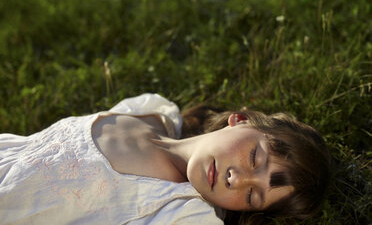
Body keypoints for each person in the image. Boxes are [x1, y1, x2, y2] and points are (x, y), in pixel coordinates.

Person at [0, 93, 330, 225]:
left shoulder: (181, 211)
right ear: (240, 120)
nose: (236, 178)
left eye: (251, 195)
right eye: (254, 157)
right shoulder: (152, 112)